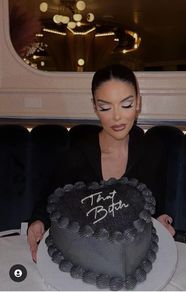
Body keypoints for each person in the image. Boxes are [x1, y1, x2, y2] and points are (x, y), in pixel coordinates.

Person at [27, 64, 175, 262]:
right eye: (105, 107)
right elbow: (48, 202)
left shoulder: (153, 151)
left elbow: (156, 207)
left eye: (126, 105)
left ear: (138, 103)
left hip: (133, 261)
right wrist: (38, 222)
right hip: (84, 257)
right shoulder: (77, 155)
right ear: (95, 106)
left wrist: (162, 220)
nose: (117, 116)